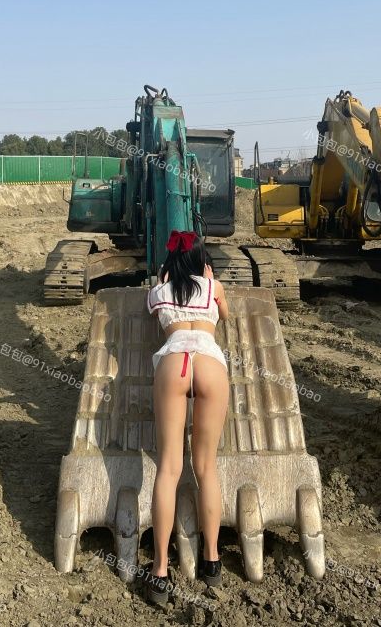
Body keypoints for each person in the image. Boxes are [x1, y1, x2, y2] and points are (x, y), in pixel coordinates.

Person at [143, 230, 230, 605]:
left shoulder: (158, 292)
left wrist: (164, 281)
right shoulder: (213, 287)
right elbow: (225, 316)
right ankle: (211, 560)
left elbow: (155, 318)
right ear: (200, 260)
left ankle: (161, 570)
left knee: (168, 468)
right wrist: (210, 282)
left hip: (173, 363)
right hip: (209, 363)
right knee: (206, 467)